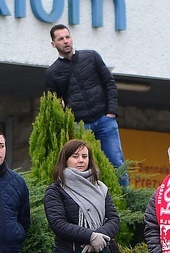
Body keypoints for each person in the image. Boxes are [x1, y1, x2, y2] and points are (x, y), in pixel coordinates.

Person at [45, 24, 127, 185]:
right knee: (82, 166)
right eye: (60, 39)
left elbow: (109, 83)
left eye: (67, 37)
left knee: (117, 162)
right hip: (80, 125)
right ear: (53, 44)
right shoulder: (52, 72)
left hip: (105, 119)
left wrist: (111, 112)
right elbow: (54, 104)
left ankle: (125, 200)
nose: (66, 41)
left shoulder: (91, 56)